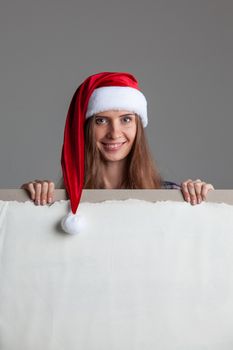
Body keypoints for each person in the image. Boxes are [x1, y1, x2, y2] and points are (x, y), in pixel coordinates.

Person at [21, 72, 214, 234]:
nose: (114, 133)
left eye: (126, 119)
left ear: (138, 127)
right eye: (101, 121)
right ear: (86, 129)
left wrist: (204, 199)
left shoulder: (171, 197)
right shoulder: (61, 204)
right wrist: (29, 200)